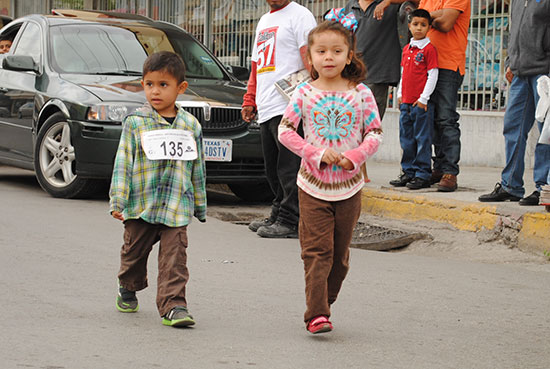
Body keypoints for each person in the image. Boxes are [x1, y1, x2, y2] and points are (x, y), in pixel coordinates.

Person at [278, 10, 382, 334]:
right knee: (316, 251)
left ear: (349, 55)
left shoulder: (361, 93)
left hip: (349, 187)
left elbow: (375, 133)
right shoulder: (304, 93)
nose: (328, 57)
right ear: (309, 56)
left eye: (336, 51)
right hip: (311, 186)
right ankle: (316, 313)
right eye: (321, 51)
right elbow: (285, 131)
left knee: (339, 257)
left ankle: (324, 298)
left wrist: (355, 156)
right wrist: (317, 153)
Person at [109, 51, 206, 327]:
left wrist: (199, 205)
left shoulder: (191, 126)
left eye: (163, 85)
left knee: (175, 256)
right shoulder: (135, 124)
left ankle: (174, 305)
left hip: (176, 205)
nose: (155, 91)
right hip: (141, 204)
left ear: (181, 88)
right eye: (150, 84)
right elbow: (123, 162)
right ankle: (128, 285)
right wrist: (118, 199)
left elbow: (197, 167)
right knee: (134, 254)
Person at [242, 0, 316, 239]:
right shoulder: (264, 21)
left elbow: (310, 58)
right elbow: (257, 66)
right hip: (267, 104)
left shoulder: (300, 15)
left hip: (290, 105)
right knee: (272, 168)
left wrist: (318, 94)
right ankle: (278, 211)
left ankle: (291, 219)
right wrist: (250, 98)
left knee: (289, 167)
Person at [478, 0, 550, 206]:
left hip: (543, 73)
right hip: (520, 74)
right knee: (513, 129)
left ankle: (544, 187)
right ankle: (510, 185)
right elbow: (514, 31)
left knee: (546, 133)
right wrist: (511, 62)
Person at [418, 0, 470, 192]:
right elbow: (419, 19)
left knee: (446, 119)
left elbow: (446, 25)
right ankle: (438, 167)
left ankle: (450, 171)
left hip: (449, 64)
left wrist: (428, 17)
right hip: (426, 64)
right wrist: (435, 16)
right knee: (430, 119)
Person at [391, 9, 438, 189]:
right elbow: (404, 73)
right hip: (406, 103)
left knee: (422, 139)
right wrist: (400, 94)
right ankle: (408, 172)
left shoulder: (429, 49)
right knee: (406, 139)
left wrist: (423, 99)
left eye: (423, 25)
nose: (419, 28)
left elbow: (432, 74)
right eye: (415, 24)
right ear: (409, 26)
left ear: (429, 27)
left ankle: (422, 174)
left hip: (420, 104)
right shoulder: (406, 49)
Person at [343, 0, 409, 120]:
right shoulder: (351, 5)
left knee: (372, 125)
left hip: (377, 75)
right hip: (351, 75)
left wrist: (388, 2)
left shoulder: (392, 5)